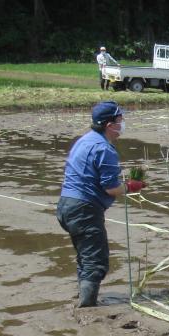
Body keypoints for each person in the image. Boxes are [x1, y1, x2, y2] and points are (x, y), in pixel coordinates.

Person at [56, 101, 143, 307]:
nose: (123, 124)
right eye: (120, 120)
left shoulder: (84, 140)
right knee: (96, 260)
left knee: (85, 257)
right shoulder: (105, 149)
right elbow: (111, 188)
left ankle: (83, 298)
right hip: (84, 209)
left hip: (66, 206)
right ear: (109, 125)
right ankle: (86, 309)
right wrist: (131, 186)